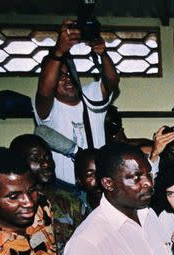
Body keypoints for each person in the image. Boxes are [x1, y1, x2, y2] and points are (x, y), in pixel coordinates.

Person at [34, 20, 120, 185]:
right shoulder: (47, 106)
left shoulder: (90, 94)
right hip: (64, 190)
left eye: (69, 74)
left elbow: (112, 82)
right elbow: (44, 90)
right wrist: (59, 50)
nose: (66, 80)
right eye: (60, 76)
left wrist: (103, 54)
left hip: (99, 185)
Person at [10, 134, 84, 252]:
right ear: (18, 164)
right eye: (36, 159)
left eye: (48, 157)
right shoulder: (12, 207)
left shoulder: (71, 203)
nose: (46, 164)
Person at [74, 148, 102, 213]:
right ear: (79, 180)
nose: (98, 180)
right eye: (90, 175)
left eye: (101, 171)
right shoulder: (74, 207)